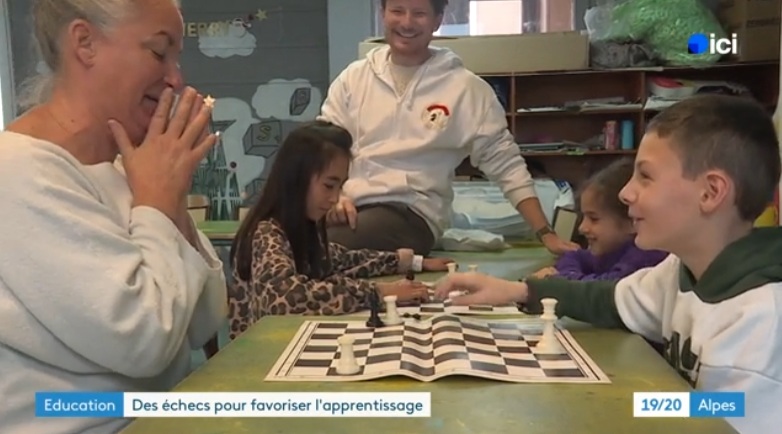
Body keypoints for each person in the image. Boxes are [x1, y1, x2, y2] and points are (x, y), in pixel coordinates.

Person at [433, 94, 782, 434]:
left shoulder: (758, 317)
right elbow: (609, 299)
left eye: (645, 176)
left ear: (710, 192)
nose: (626, 193)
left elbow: (726, 411)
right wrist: (516, 290)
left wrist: (627, 404)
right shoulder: (680, 270)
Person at [0, 1, 227, 433]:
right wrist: (157, 204)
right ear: (85, 42)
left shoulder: (130, 169)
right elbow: (145, 340)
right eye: (159, 52)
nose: (176, 79)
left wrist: (168, 196)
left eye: (177, 59)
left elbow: (204, 319)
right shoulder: (16, 171)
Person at [318, 0, 578, 257]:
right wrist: (334, 195)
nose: (406, 23)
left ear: (438, 20)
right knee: (296, 235)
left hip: (410, 214)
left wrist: (546, 233)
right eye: (397, 11)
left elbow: (506, 165)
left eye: (419, 13)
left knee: (321, 248)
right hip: (345, 205)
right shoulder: (353, 79)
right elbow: (324, 149)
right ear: (383, 13)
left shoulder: (465, 89)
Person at [228, 120, 452, 340]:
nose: (335, 198)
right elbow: (285, 298)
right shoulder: (266, 232)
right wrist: (379, 293)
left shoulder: (303, 227)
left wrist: (411, 262)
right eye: (328, 185)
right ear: (296, 178)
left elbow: (341, 259)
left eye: (340, 187)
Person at [530, 158, 667, 281]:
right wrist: (568, 274)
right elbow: (573, 256)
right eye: (584, 217)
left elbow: (603, 289)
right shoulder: (610, 250)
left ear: (631, 221)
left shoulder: (645, 257)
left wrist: (560, 279)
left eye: (594, 219)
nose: (582, 228)